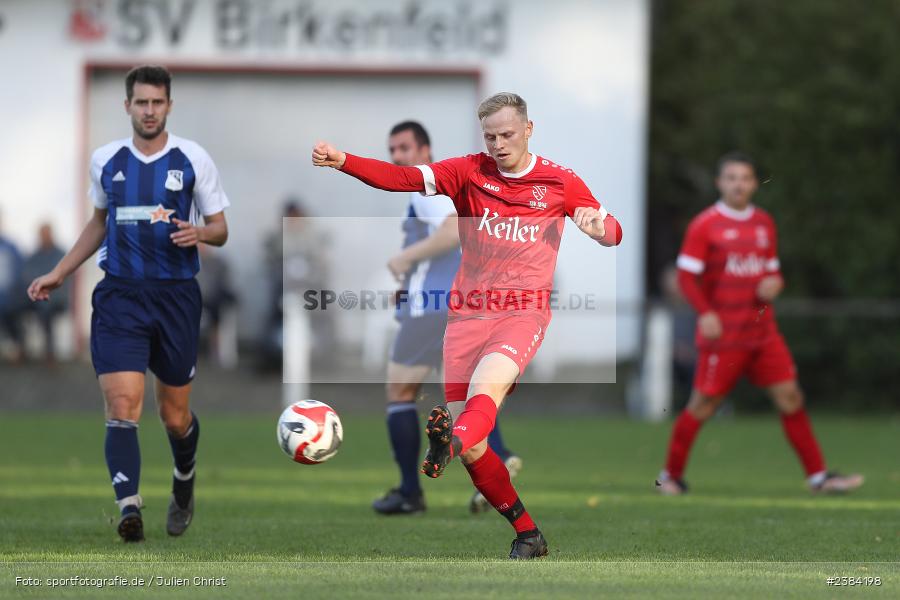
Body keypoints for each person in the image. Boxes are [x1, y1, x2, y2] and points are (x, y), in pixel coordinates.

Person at [312, 93, 622, 559]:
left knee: (484, 394)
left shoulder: (559, 181)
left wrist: (598, 227)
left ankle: (446, 445)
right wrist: (343, 161)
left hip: (522, 312)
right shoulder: (467, 171)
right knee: (476, 446)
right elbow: (400, 178)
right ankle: (527, 533)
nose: (498, 144)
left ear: (528, 129)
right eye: (490, 136)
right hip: (465, 316)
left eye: (507, 134)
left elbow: (613, 232)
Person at [27, 65, 230, 542]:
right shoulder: (106, 161)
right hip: (120, 295)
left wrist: (200, 232)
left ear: (169, 107)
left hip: (177, 298)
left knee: (175, 416)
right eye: (141, 102)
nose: (149, 111)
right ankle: (129, 507)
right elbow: (100, 221)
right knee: (122, 403)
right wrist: (60, 271)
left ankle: (184, 479)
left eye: (157, 102)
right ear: (128, 107)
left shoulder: (193, 158)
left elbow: (221, 229)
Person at [655, 152, 862, 495]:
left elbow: (772, 272)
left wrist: (775, 283)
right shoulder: (704, 225)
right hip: (724, 334)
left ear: (754, 183)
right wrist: (705, 312)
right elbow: (686, 278)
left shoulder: (764, 222)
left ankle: (819, 477)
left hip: (763, 333)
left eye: (745, 178)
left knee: (791, 396)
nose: (738, 184)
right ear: (720, 182)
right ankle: (670, 477)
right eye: (731, 177)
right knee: (702, 405)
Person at [370, 121, 521, 517]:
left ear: (425, 150)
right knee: (468, 395)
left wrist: (405, 259)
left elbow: (453, 231)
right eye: (393, 150)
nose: (397, 157)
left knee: (400, 394)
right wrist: (408, 279)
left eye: (404, 148)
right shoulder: (452, 187)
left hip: (431, 309)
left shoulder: (428, 188)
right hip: (454, 303)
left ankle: (408, 492)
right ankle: (500, 456)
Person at [22, 224, 69, 363]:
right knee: (12, 309)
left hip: (56, 299)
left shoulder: (61, 254)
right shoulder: (34, 256)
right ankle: (21, 347)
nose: (43, 237)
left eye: (46, 234)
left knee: (46, 311)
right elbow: (26, 275)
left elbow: (64, 283)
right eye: (41, 234)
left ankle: (49, 353)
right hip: (37, 297)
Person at [0, 212, 25, 362]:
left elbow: (20, 273)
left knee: (11, 315)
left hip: (10, 298)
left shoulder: (11, 247)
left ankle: (16, 348)